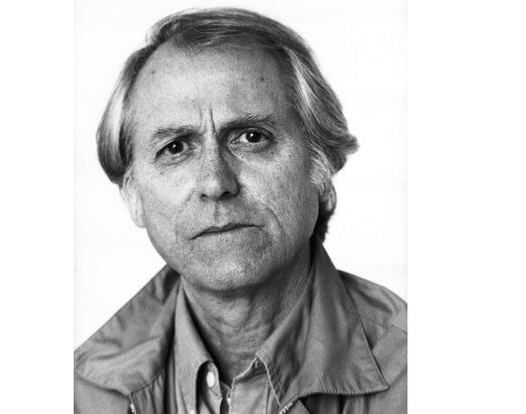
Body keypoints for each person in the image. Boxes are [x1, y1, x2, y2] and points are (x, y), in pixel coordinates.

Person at [75, 7, 406, 414]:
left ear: (320, 167)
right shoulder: (82, 394)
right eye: (175, 148)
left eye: (251, 137)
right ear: (132, 195)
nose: (215, 183)